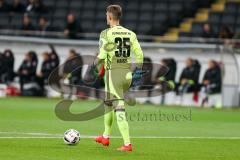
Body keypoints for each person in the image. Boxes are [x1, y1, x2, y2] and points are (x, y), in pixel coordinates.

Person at [93, 5, 144, 152]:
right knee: (108, 103)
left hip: (113, 74)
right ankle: (105, 136)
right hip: (126, 74)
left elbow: (102, 56)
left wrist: (93, 66)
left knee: (119, 107)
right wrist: (138, 70)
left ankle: (127, 144)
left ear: (109, 16)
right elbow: (139, 54)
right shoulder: (131, 33)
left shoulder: (106, 33)